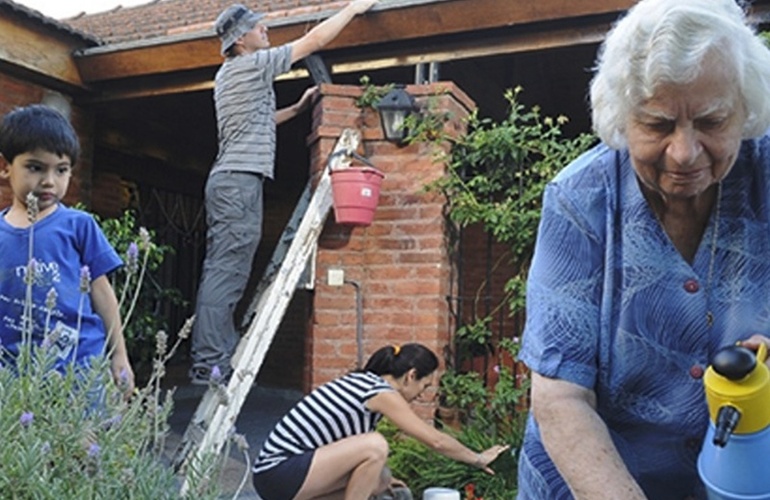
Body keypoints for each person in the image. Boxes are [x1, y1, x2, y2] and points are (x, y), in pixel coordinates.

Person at [516, 0, 770, 498]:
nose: (685, 152)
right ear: (622, 116)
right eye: (657, 124)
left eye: (713, 121)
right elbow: (561, 399)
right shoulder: (580, 201)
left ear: (745, 108)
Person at [189, 0, 379, 384]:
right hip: (238, 181)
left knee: (229, 269)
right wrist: (353, 9)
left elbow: (256, 121)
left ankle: (215, 353)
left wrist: (295, 109)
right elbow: (313, 40)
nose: (266, 32)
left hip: (233, 181)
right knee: (227, 270)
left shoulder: (230, 74)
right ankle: (209, 362)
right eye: (259, 28)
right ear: (240, 39)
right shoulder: (251, 64)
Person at [252, 343, 510, 500]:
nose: (424, 393)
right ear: (410, 375)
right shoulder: (378, 391)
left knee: (382, 479)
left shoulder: (365, 384)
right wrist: (477, 458)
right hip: (278, 472)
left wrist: (384, 480)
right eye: (425, 384)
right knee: (375, 445)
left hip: (279, 478)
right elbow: (435, 440)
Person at [0, 104, 135, 395]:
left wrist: (119, 355)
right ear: (5, 166)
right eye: (35, 168)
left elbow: (102, 293)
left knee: (82, 440)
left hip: (78, 368)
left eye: (61, 170)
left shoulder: (78, 225)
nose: (49, 181)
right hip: (13, 374)